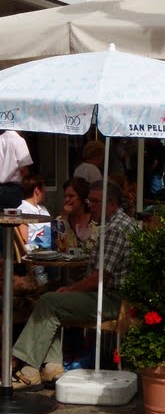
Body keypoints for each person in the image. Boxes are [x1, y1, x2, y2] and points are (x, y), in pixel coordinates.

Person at [11, 181, 134, 390]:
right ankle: (51, 367)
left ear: (112, 204)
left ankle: (24, 366)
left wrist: (71, 289)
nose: (91, 205)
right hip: (109, 294)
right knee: (51, 295)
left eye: (96, 201)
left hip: (113, 300)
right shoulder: (118, 224)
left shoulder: (116, 229)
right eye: (90, 200)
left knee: (51, 301)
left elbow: (99, 277)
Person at [55, 177, 99, 254]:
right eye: (65, 196)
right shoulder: (60, 219)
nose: (67, 200)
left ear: (82, 198)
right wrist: (64, 218)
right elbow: (57, 247)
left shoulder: (96, 219)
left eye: (71, 196)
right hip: (66, 264)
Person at [0, 129, 33, 209]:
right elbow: (23, 167)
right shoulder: (19, 140)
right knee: (14, 219)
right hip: (13, 190)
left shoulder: (0, 139)